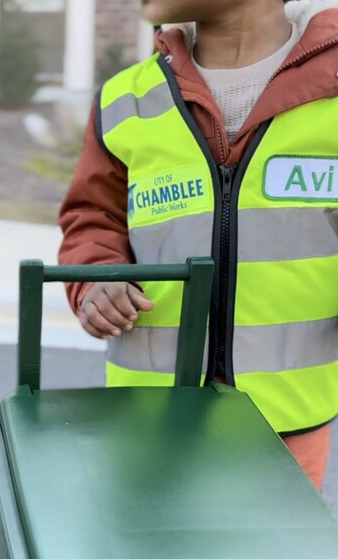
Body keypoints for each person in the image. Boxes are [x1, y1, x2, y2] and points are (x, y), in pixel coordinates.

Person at [58, 0, 338, 490]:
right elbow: (93, 216)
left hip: (287, 419)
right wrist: (97, 278)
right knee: (155, 558)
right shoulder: (125, 98)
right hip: (150, 413)